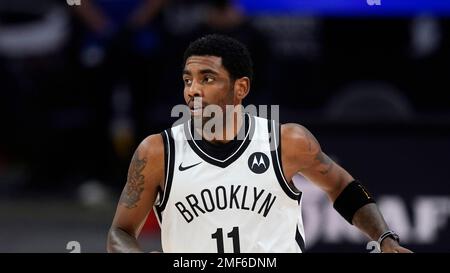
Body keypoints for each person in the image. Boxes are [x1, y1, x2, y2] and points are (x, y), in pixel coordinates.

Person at [107, 34, 412, 253]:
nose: (193, 91)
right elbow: (120, 232)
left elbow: (342, 187)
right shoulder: (158, 152)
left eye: (207, 79)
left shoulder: (287, 142)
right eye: (188, 80)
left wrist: (384, 237)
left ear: (241, 87)